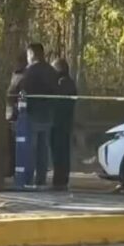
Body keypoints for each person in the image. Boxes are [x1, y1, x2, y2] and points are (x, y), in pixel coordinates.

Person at [13, 42, 59, 187]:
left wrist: (19, 107)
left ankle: (28, 179)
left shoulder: (29, 72)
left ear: (32, 54)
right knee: (43, 149)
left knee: (30, 148)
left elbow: (21, 91)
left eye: (28, 55)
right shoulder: (52, 71)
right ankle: (41, 179)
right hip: (48, 115)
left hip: (31, 113)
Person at [50, 58, 77, 191]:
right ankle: (62, 177)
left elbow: (58, 103)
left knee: (59, 152)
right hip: (66, 122)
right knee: (63, 151)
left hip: (59, 123)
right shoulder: (70, 83)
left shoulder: (62, 83)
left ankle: (59, 178)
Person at [5, 54, 27, 178]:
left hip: (15, 114)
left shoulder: (20, 78)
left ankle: (13, 169)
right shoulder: (15, 76)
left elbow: (20, 96)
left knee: (14, 144)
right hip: (12, 113)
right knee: (11, 144)